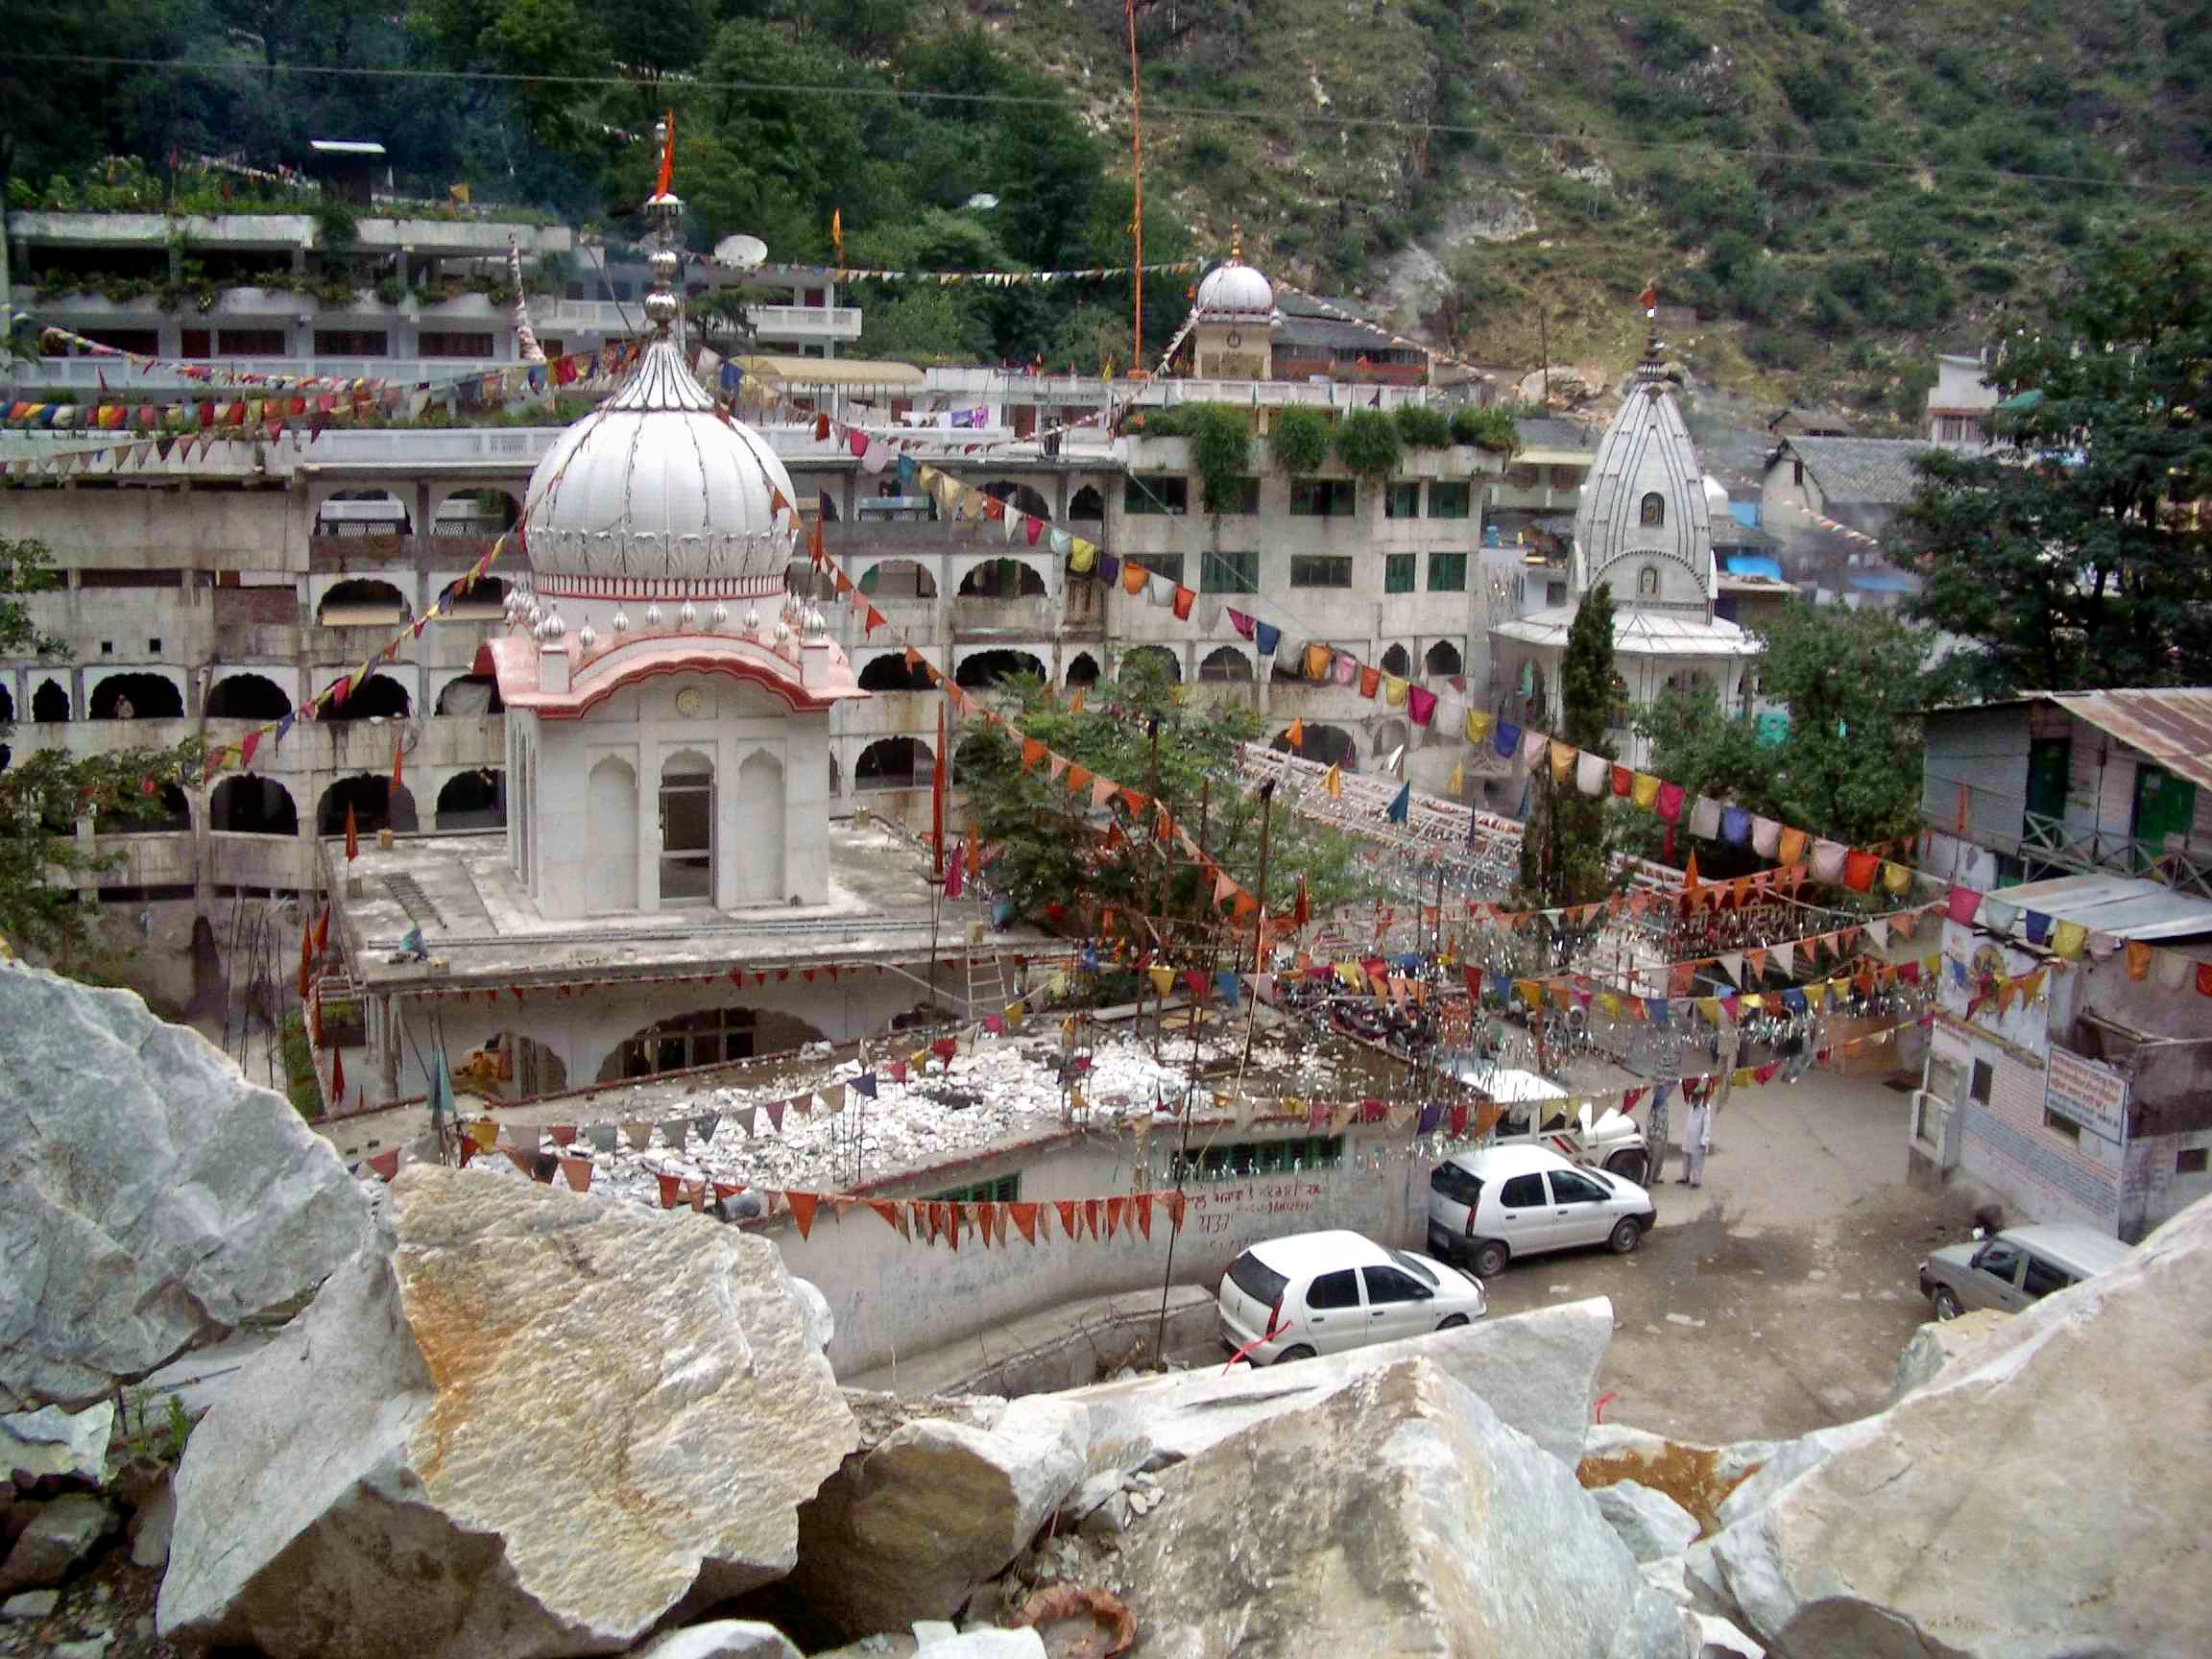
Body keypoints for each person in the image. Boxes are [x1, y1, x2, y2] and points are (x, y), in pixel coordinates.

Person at [1678, 1094, 1712, 1189]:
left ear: (1699, 1098)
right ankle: (1685, 1177)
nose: (1691, 1101)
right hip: (1689, 1137)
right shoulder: (1693, 1107)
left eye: (1693, 1099)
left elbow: (1707, 1125)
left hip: (1698, 1140)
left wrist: (1704, 1140)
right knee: (1686, 1158)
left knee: (1697, 1162)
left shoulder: (1705, 1108)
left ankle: (1696, 1181)